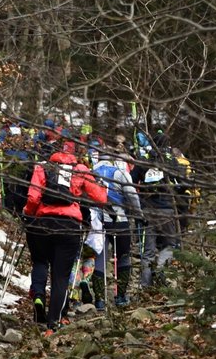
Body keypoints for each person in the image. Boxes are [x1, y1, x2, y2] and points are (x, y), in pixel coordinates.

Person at [22, 142, 107, 334]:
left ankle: (39, 295)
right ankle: (54, 323)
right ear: (74, 154)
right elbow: (101, 199)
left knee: (40, 262)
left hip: (42, 223)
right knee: (60, 276)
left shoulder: (42, 167)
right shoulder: (81, 169)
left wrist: (28, 213)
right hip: (69, 226)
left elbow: (33, 198)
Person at [130, 132, 182, 289]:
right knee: (170, 244)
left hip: (148, 211)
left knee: (148, 251)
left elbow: (131, 181)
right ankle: (160, 270)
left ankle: (145, 286)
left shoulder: (143, 160)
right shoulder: (171, 161)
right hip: (167, 209)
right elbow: (181, 182)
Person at [92, 145, 143, 307]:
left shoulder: (90, 172)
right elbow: (132, 196)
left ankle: (99, 299)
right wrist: (139, 214)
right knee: (123, 255)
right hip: (119, 220)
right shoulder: (120, 173)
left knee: (100, 258)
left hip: (97, 222)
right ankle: (120, 296)